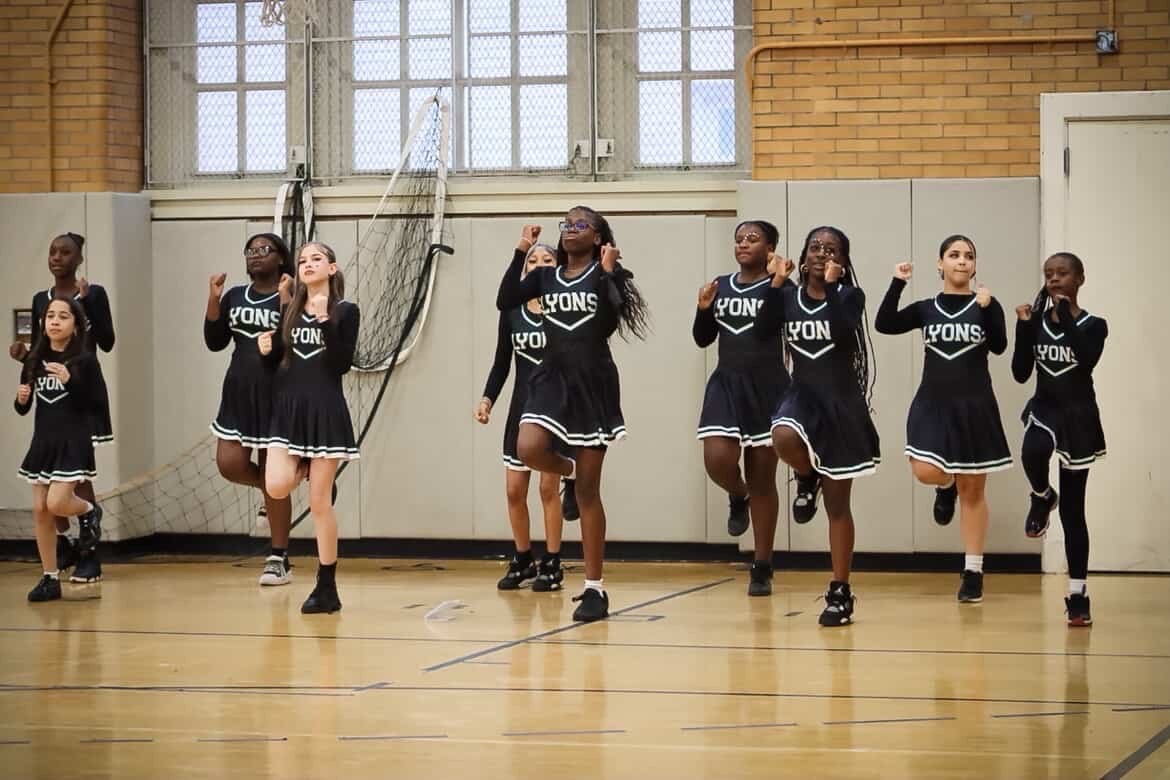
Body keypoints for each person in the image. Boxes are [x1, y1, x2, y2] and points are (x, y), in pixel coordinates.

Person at [495, 206, 649, 622]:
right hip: (550, 377)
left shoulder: (604, 276)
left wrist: (609, 273)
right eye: (567, 224)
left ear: (598, 237)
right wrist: (521, 249)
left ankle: (595, 589)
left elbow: (608, 322)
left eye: (581, 225)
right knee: (528, 448)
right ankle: (568, 470)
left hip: (593, 383)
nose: (570, 229)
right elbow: (504, 299)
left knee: (589, 494)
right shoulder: (544, 277)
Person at [874, 235, 1011, 604]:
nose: (962, 261)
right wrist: (897, 282)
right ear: (940, 264)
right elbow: (884, 324)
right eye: (954, 255)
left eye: (968, 256)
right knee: (925, 470)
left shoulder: (986, 303)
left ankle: (973, 571)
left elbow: (999, 346)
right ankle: (943, 484)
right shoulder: (926, 307)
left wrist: (987, 308)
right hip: (932, 402)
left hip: (975, 405)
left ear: (975, 265)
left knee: (974, 491)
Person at [756, 226, 879, 625]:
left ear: (842, 261)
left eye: (831, 249)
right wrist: (775, 282)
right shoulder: (788, 296)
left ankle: (840, 590)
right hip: (802, 395)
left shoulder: (850, 296)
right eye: (815, 247)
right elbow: (762, 331)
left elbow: (843, 331)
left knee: (838, 507)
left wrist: (830, 287)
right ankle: (806, 476)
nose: (822, 253)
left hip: (840, 404)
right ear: (803, 255)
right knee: (781, 435)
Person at [8, 233, 114, 585]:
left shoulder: (93, 293)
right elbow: (41, 345)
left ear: (79, 257)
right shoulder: (42, 299)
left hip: (82, 389)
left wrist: (88, 306)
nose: (57, 257)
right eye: (53, 251)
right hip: (52, 395)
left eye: (65, 252)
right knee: (50, 486)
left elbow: (108, 341)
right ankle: (63, 548)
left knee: (78, 477)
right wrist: (26, 359)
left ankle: (89, 554)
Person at [261, 242, 360, 614]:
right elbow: (278, 368)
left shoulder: (346, 311)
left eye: (316, 258)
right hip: (288, 412)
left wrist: (325, 323)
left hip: (325, 409)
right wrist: (267, 351)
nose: (307, 264)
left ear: (332, 268)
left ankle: (326, 585)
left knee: (319, 503)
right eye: (302, 260)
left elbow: (340, 364)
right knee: (275, 484)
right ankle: (305, 465)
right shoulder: (286, 310)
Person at [693, 219, 789, 596]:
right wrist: (703, 309)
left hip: (768, 387)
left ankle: (762, 564)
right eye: (739, 239)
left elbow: (768, 330)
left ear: (770, 248)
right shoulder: (720, 285)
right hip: (727, 383)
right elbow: (703, 338)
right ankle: (738, 493)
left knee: (764, 478)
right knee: (717, 459)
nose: (743, 244)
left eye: (753, 238)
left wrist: (779, 283)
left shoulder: (783, 286)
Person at [1011, 252, 1107, 626]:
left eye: (1062, 273)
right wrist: (1023, 326)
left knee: (1073, 513)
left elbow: (1085, 359)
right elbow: (1020, 373)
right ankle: (1041, 496)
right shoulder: (1035, 323)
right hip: (1046, 408)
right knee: (1032, 449)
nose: (1054, 279)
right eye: (1048, 274)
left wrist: (1065, 316)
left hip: (1079, 418)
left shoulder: (1096, 324)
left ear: (1079, 279)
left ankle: (1078, 593)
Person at [476, 230, 566, 592]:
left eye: (548, 261)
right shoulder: (512, 311)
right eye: (533, 261)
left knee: (548, 488)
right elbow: (502, 363)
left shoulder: (564, 309)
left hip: (555, 407)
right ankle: (523, 558)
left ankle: (553, 562)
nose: (540, 266)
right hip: (520, 405)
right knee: (514, 490)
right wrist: (487, 399)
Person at [206, 232, 295, 586]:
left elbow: (294, 341)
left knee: (275, 480)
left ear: (280, 258)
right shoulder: (233, 296)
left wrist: (287, 299)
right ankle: (270, 491)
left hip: (278, 392)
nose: (255, 255)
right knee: (229, 465)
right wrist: (213, 300)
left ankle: (278, 557)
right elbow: (214, 342)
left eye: (264, 250)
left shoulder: (291, 295)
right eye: (250, 250)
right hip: (239, 391)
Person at [16, 296, 104, 602]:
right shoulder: (34, 360)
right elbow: (22, 409)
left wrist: (70, 381)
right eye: (50, 315)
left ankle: (90, 511)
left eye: (63, 316)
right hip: (43, 442)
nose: (54, 321)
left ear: (76, 324)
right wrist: (22, 399)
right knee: (40, 509)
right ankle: (50, 577)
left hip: (74, 441)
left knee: (56, 503)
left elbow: (94, 405)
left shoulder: (85, 361)